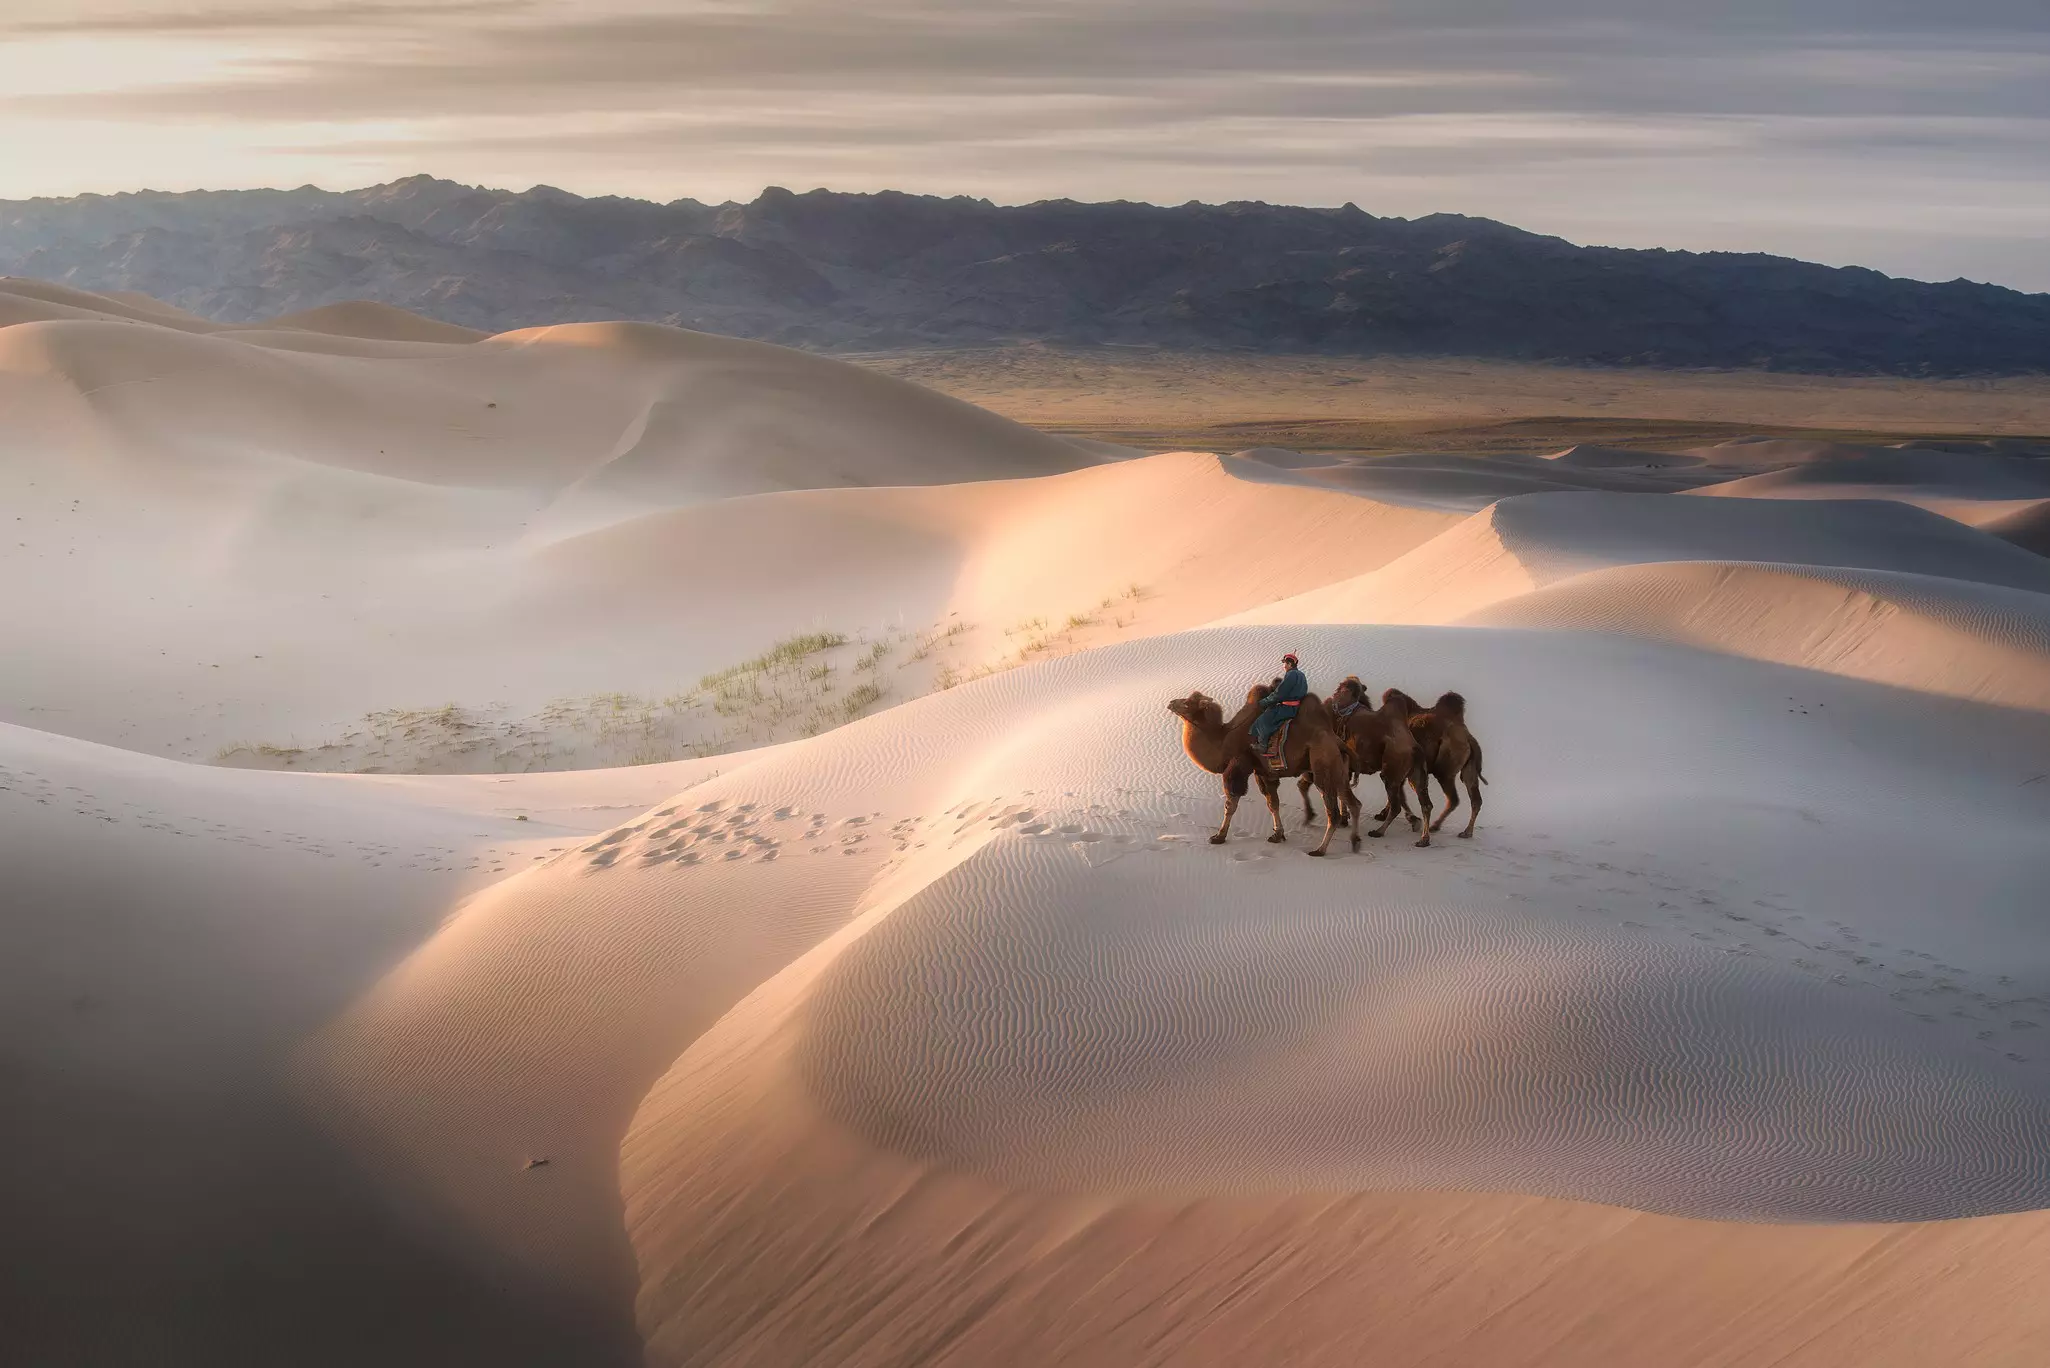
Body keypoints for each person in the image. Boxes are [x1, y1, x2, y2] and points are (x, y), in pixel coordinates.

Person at [1252, 652, 1308, 750]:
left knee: (1263, 720)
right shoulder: (1302, 675)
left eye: (1285, 663)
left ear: (1290, 664)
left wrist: (1264, 702)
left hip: (1287, 709)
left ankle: (1262, 745)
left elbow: (1279, 694)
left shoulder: (1290, 674)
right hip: (1296, 707)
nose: (1284, 666)